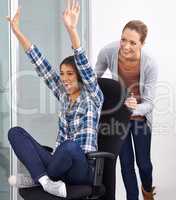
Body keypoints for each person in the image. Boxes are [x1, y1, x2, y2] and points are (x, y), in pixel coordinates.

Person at [6, 0, 103, 197]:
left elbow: (82, 62)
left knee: (69, 146)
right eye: (62, 74)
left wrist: (71, 29)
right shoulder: (64, 95)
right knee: (15, 132)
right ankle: (44, 180)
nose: (64, 79)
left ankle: (35, 178)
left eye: (70, 74)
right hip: (59, 164)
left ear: (80, 77)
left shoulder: (93, 95)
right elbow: (40, 63)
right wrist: (17, 32)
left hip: (81, 167)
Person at [95, 20, 158, 200]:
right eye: (123, 40)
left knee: (144, 164)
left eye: (133, 42)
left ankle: (147, 191)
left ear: (142, 44)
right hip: (119, 118)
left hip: (140, 118)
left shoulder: (150, 64)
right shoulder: (108, 52)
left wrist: (134, 107)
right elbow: (93, 81)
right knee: (126, 164)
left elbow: (149, 103)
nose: (126, 46)